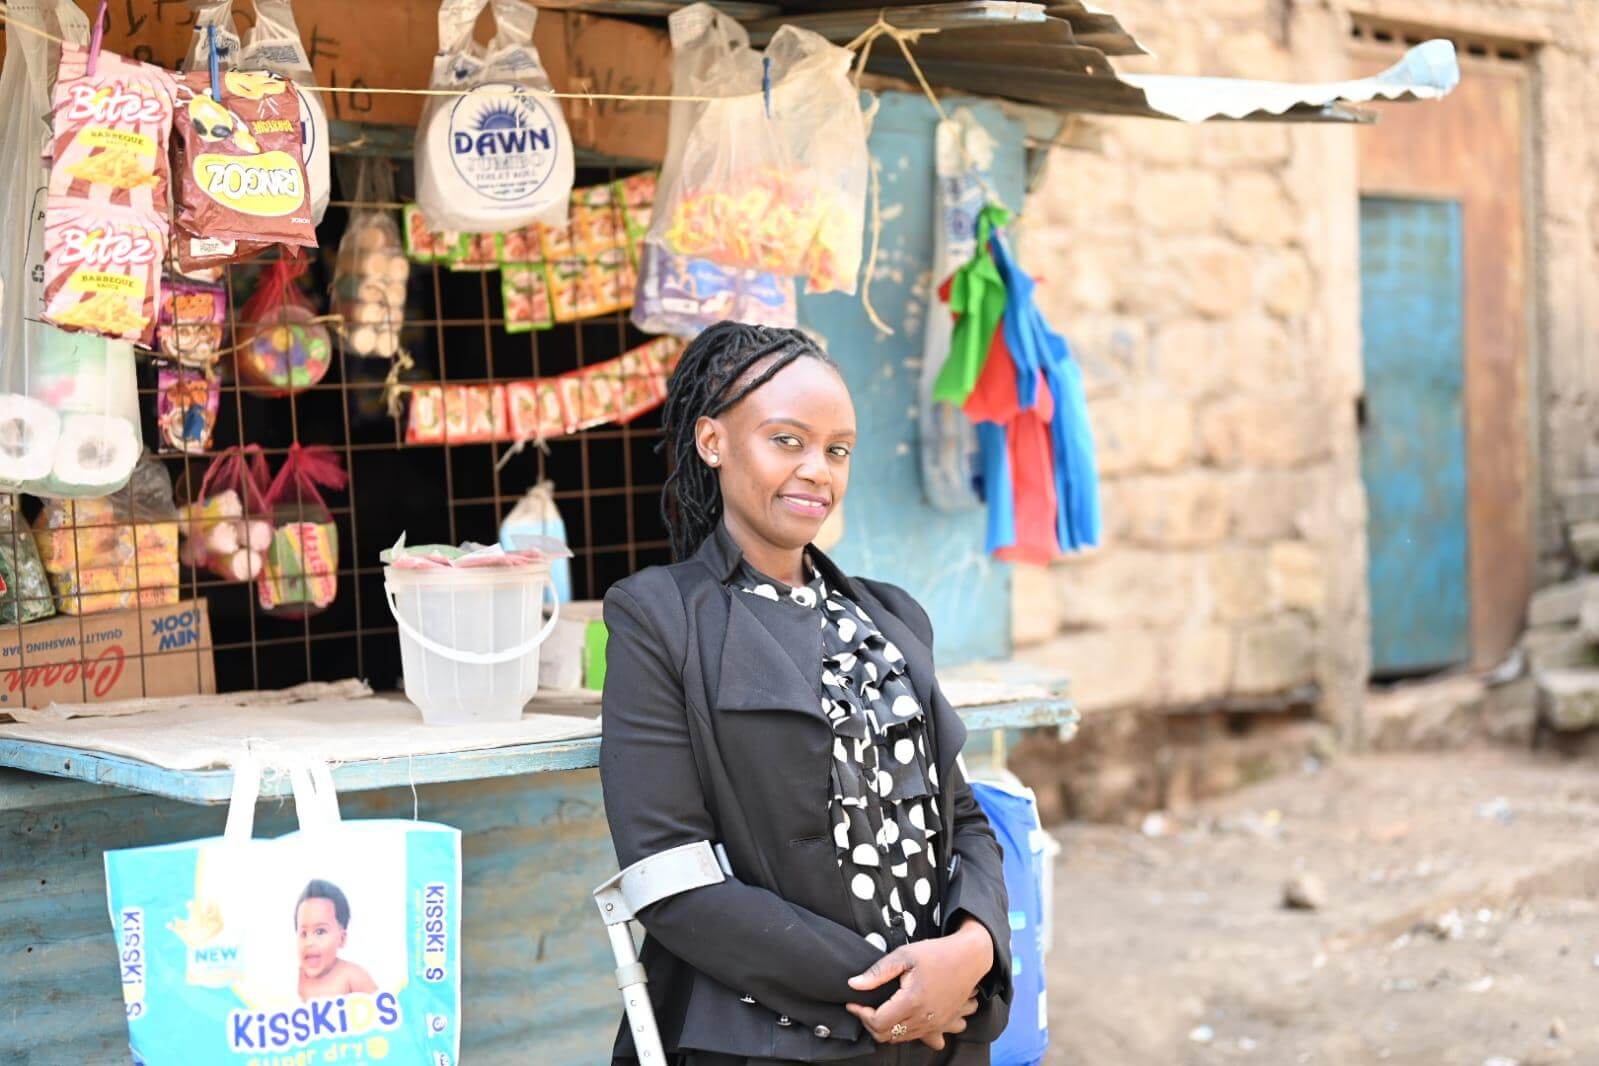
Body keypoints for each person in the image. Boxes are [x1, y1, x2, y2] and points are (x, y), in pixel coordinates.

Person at [601, 322, 1012, 1065]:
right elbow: (665, 871)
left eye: (837, 449)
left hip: (938, 1033)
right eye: (785, 440)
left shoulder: (890, 617)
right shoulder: (659, 616)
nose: (816, 470)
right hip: (769, 1034)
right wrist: (891, 993)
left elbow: (962, 819)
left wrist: (971, 951)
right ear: (712, 441)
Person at [294, 878, 377, 1001]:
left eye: (320, 931)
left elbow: (384, 1011)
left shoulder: (352, 976)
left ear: (342, 939)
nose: (309, 942)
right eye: (304, 933)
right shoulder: (297, 979)